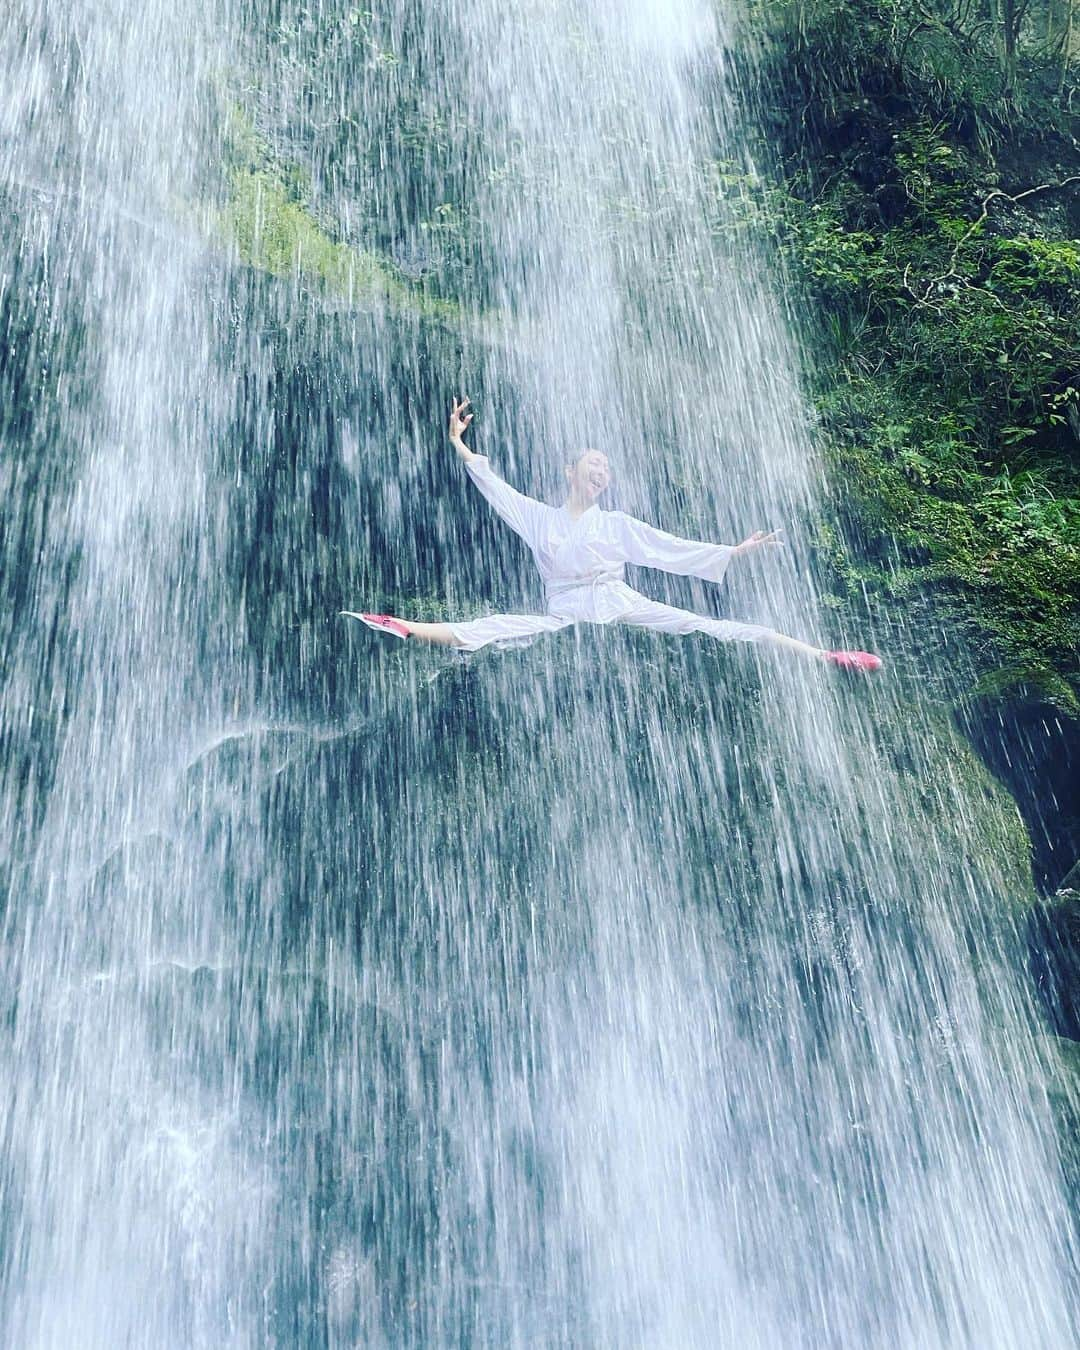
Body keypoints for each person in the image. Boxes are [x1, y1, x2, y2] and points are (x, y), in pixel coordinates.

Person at [342, 398, 882, 672]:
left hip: (621, 604)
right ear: (570, 472)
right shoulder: (539, 518)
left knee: (717, 627)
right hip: (565, 613)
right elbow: (493, 487)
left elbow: (666, 548)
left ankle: (823, 655)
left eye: (607, 467)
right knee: (489, 627)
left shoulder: (616, 525)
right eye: (592, 463)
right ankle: (402, 626)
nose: (602, 470)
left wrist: (732, 551)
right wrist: (458, 443)